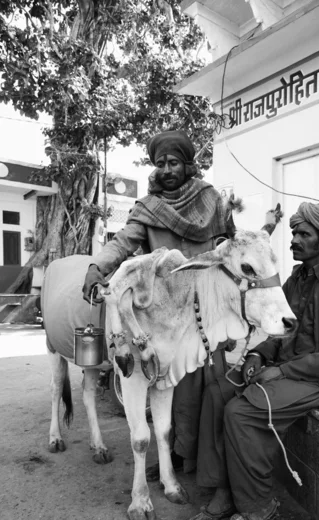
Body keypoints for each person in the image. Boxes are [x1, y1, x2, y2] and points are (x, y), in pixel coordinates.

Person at [185, 201, 319, 520]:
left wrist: (281, 372)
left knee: (242, 411)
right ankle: (223, 492)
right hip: (292, 367)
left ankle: (257, 503)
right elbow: (282, 330)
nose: (293, 239)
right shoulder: (297, 279)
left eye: (303, 234)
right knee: (218, 392)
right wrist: (259, 355)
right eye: (293, 232)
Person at [82, 129, 228, 476]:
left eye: (174, 162)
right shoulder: (148, 207)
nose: (166, 170)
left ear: (189, 165)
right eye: (160, 163)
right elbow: (123, 242)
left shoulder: (211, 200)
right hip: (164, 314)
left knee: (209, 385)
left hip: (206, 307)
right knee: (168, 385)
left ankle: (210, 467)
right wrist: (96, 266)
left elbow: (228, 245)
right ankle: (174, 457)